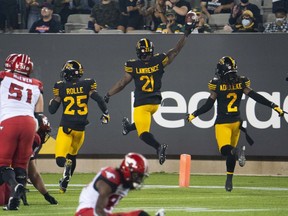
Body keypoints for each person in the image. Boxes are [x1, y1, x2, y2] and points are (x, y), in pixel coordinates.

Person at [103, 21, 196, 165]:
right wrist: (186, 34)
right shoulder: (159, 60)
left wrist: (108, 94)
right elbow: (175, 51)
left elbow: (122, 83)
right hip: (155, 103)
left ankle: (158, 147)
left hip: (142, 103)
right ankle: (128, 127)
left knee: (143, 134)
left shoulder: (133, 65)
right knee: (142, 122)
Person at [186, 56, 284, 192]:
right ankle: (229, 180)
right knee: (230, 152)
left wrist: (194, 114)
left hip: (223, 123)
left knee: (225, 150)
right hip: (236, 123)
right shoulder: (241, 82)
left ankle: (236, 155)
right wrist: (274, 105)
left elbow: (208, 105)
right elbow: (256, 96)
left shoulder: (218, 84)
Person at [48, 60, 110, 193]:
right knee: (72, 156)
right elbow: (99, 99)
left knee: (61, 160)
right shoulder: (87, 85)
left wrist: (52, 101)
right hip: (80, 130)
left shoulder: (61, 86)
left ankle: (66, 167)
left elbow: (52, 110)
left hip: (65, 128)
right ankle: (64, 184)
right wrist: (106, 113)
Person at [0, 53, 46, 210]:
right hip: (29, 123)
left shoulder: (4, 77)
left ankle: (14, 187)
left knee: (2, 164)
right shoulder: (36, 84)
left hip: (10, 121)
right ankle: (16, 201)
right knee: (21, 165)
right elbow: (40, 115)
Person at [75, 152, 165, 216]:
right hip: (87, 212)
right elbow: (98, 209)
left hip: (102, 213)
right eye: (136, 175)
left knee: (140, 214)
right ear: (127, 170)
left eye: (140, 176)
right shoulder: (111, 177)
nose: (138, 179)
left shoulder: (125, 183)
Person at [21, 117, 58, 205]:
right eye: (43, 132)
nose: (45, 135)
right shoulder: (34, 138)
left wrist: (46, 195)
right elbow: (22, 170)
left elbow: (33, 174)